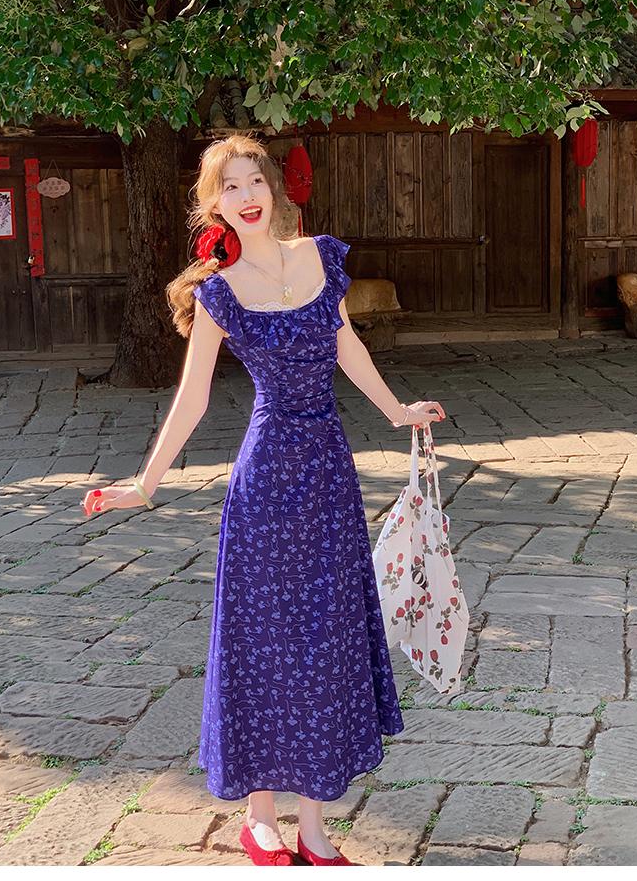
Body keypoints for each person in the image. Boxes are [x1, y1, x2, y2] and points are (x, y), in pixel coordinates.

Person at [82, 134, 445, 866]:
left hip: (328, 476)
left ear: (273, 190)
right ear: (212, 205)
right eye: (230, 187)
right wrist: (144, 485)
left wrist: (398, 411)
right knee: (261, 643)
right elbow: (192, 397)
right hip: (264, 485)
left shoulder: (321, 258)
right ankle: (259, 818)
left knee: (326, 642)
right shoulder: (217, 293)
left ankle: (313, 826)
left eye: (255, 181)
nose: (246, 195)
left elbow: (347, 347)